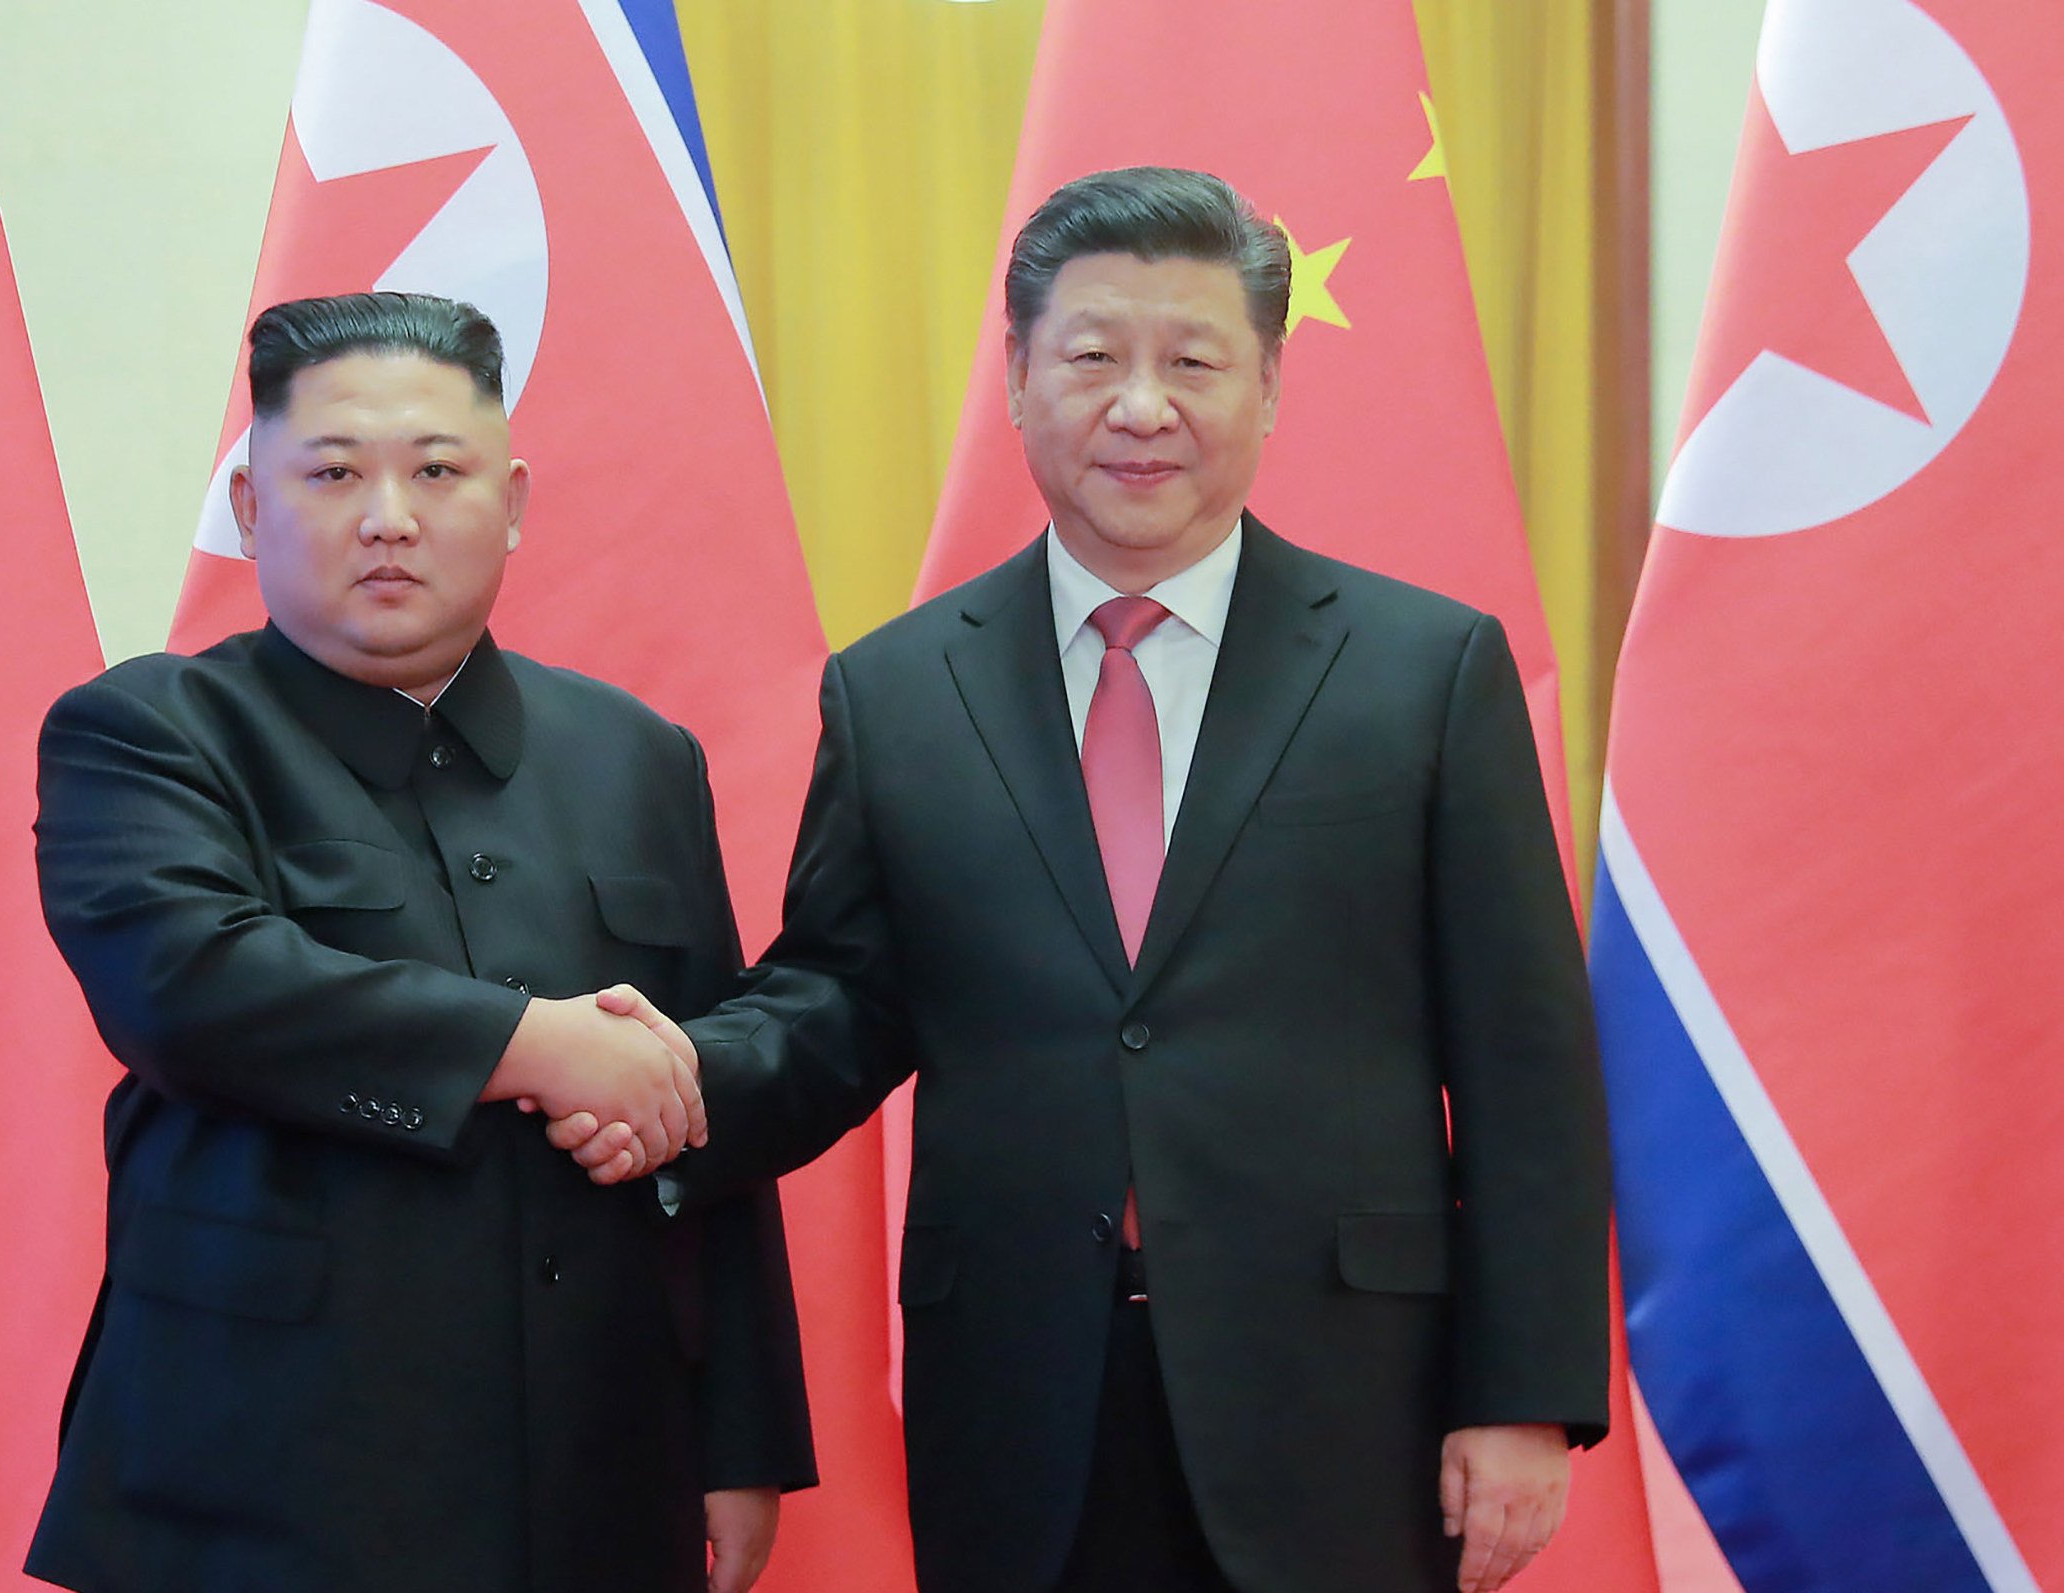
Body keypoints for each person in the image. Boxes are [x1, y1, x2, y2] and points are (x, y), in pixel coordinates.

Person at [575, 167, 1611, 1593]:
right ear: (1016, 376)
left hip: (1343, 1392)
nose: (1142, 407)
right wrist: (675, 1074)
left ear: (1269, 384)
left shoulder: (1424, 670)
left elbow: (1527, 1055)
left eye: (1193, 361)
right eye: (1093, 357)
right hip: (1017, 1385)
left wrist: (1524, 1391)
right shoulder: (900, 691)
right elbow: (841, 999)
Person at [22, 291, 813, 1593]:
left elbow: (697, 1096)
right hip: (259, 1476)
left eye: (436, 471)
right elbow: (189, 986)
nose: (388, 516)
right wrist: (531, 1045)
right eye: (332, 472)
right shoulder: (152, 731)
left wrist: (743, 1434)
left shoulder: (635, 755)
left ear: (507, 504)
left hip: (596, 1469)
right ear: (250, 507)